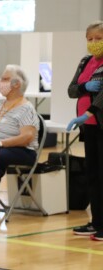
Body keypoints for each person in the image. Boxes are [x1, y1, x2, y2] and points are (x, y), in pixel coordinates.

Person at [0, 65, 39, 225]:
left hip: (22, 151)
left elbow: (27, 137)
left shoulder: (26, 108)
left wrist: (1, 143)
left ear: (17, 84)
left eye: (5, 79)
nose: (0, 82)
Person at [66, 21, 103, 241]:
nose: (94, 43)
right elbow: (72, 90)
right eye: (90, 39)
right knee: (93, 175)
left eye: (99, 38)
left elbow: (102, 97)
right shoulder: (85, 61)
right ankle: (96, 221)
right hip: (88, 128)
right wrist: (83, 88)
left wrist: (88, 112)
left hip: (99, 124)